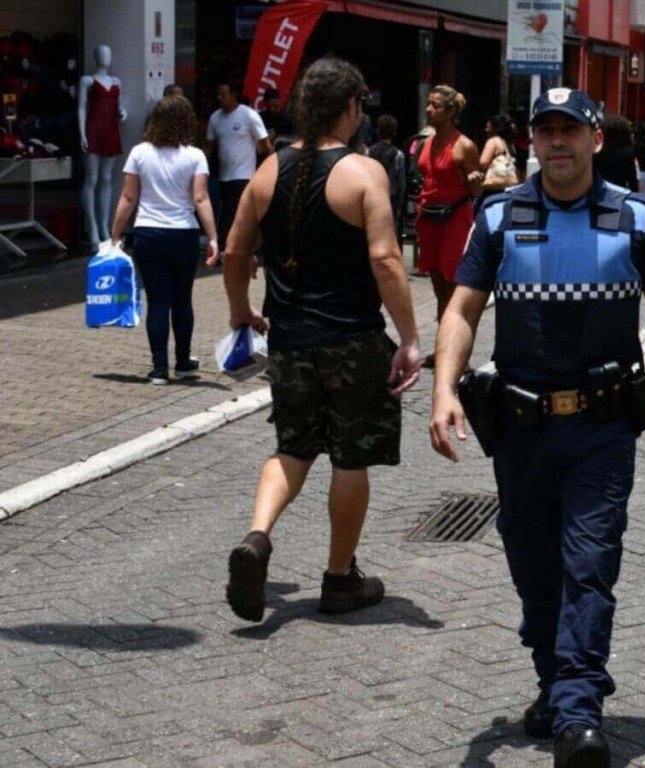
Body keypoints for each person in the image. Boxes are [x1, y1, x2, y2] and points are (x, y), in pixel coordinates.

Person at [427, 86, 645, 768]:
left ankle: (579, 714)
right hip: (520, 428)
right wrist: (444, 390)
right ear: (532, 141)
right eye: (545, 130)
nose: (556, 142)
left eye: (569, 130)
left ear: (594, 140)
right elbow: (462, 309)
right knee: (533, 564)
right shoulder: (498, 215)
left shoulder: (636, 217)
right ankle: (555, 682)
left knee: (589, 565)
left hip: (603, 430)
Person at [220, 57, 423, 623]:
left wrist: (240, 312)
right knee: (349, 458)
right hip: (352, 340)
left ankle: (257, 537)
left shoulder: (268, 171)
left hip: (289, 341)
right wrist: (410, 338)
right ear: (352, 107)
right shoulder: (364, 173)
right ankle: (339, 578)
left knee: (291, 448)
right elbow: (386, 259)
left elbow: (234, 252)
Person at [109, 95, 218, 384]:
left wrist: (115, 234)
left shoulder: (139, 153)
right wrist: (213, 237)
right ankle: (183, 363)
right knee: (182, 300)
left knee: (157, 300)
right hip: (184, 233)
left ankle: (159, 369)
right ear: (187, 121)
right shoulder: (195, 156)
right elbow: (200, 198)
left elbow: (128, 197)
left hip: (148, 232)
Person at [415, 85, 483, 366]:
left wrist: (476, 180)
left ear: (451, 112)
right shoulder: (427, 142)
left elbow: (475, 190)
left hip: (454, 219)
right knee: (438, 288)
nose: (429, 109)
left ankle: (458, 355)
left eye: (436, 106)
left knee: (454, 289)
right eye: (429, 104)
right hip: (429, 219)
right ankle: (443, 348)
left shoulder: (464, 145)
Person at [206, 81, 270, 252]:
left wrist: (272, 166)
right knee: (225, 210)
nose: (219, 98)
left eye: (223, 94)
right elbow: (209, 147)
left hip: (244, 175)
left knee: (234, 211)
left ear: (234, 95)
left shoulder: (249, 115)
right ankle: (228, 246)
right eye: (217, 95)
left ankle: (229, 247)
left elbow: (265, 144)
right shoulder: (215, 118)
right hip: (223, 176)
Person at [366, 115, 407, 228]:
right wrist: (400, 206)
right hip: (391, 200)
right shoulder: (399, 155)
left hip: (372, 197)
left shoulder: (368, 153)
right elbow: (401, 184)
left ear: (378, 131)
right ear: (394, 133)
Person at [478, 113, 521, 203]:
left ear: (495, 128)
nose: (485, 130)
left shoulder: (493, 141)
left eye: (488, 127)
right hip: (507, 189)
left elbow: (483, 163)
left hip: (492, 191)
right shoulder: (508, 144)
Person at [594, 115, 639, 192]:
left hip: (599, 189)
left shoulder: (598, 150)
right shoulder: (628, 151)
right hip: (620, 190)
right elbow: (632, 178)